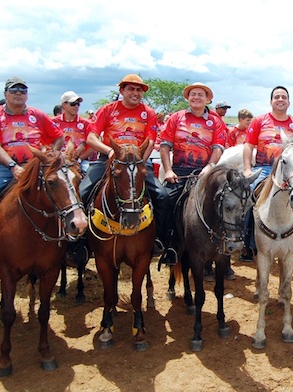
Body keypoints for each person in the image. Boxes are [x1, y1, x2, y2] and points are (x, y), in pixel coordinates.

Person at [74, 74, 173, 265]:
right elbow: (92, 138)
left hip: (137, 162)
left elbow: (151, 141)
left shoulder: (149, 113)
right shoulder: (108, 110)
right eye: (131, 89)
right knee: (82, 192)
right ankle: (80, 243)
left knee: (162, 196)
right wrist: (111, 151)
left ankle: (159, 241)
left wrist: (138, 163)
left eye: (139, 90)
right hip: (108, 160)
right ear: (122, 91)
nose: (135, 93)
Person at [160, 82, 231, 277]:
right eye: (193, 94)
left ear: (208, 99)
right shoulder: (176, 118)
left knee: (226, 203)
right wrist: (168, 170)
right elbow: (165, 146)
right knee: (164, 200)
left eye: (201, 94)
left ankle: (226, 247)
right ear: (187, 98)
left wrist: (209, 167)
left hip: (205, 172)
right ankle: (167, 245)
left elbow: (218, 147)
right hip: (179, 171)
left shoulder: (216, 121)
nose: (196, 97)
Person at [242, 86, 293, 263]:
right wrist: (247, 169)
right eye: (276, 97)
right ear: (271, 101)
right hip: (264, 169)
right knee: (245, 196)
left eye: (284, 97)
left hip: (288, 173)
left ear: (288, 102)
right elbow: (248, 146)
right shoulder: (259, 121)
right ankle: (245, 242)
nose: (280, 99)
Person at [0, 76, 64, 196]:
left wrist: (51, 155)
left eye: (23, 91)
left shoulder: (38, 115)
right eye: (14, 90)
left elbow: (59, 137)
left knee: (64, 189)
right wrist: (13, 166)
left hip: (36, 166)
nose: (18, 93)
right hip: (5, 167)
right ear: (5, 94)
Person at [52, 91, 97, 173]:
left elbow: (93, 147)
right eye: (73, 104)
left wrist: (79, 159)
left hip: (80, 161)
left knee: (89, 175)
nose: (76, 106)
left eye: (78, 104)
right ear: (64, 105)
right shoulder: (53, 122)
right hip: (56, 160)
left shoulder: (86, 124)